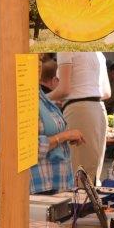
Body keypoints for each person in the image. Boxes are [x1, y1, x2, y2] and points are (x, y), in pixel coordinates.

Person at [46, 51, 111, 182]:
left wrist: (41, 99)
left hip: (79, 111)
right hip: (99, 109)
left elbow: (64, 89)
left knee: (78, 174)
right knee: (92, 175)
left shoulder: (66, 48)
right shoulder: (98, 53)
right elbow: (106, 93)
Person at [32, 66, 84, 194]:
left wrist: (67, 136)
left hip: (56, 185)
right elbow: (30, 149)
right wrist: (65, 136)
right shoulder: (24, 100)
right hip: (40, 188)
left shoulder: (40, 96)